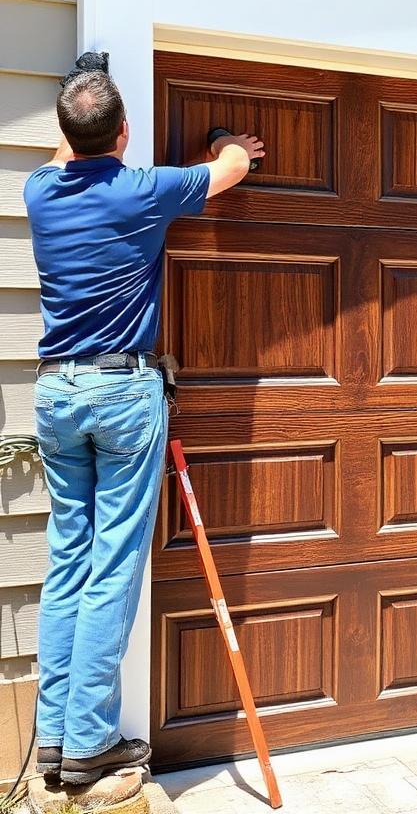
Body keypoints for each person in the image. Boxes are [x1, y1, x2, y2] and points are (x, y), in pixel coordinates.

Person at [25, 53, 265, 785]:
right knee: (113, 568)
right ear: (125, 133)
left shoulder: (38, 192)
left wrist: (83, 82)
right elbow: (230, 169)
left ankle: (56, 740)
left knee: (69, 561)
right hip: (122, 395)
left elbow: (72, 146)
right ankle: (90, 740)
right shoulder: (142, 192)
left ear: (67, 133)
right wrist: (232, 142)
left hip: (57, 394)